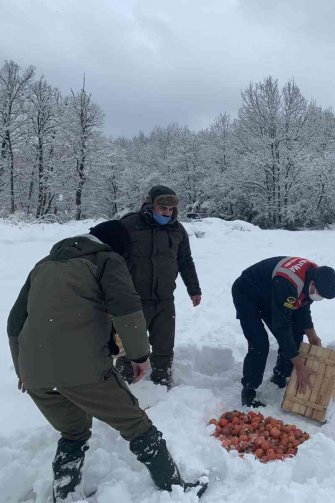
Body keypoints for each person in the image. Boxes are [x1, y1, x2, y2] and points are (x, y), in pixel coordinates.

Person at [6, 221, 206, 501]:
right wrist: (139, 355)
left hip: (35, 374)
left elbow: (15, 322)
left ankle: (65, 495)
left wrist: (23, 369)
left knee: (73, 433)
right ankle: (174, 488)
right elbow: (127, 308)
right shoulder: (107, 260)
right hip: (82, 370)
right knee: (136, 424)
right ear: (118, 248)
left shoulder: (44, 264)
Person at [116, 185, 202, 388]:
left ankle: (162, 378)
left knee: (164, 344)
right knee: (130, 344)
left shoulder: (177, 230)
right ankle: (125, 381)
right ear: (150, 205)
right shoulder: (129, 226)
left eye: (171, 209)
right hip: (133, 299)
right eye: (162, 208)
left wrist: (194, 289)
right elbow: (112, 260)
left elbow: (185, 261)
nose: (167, 213)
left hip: (164, 298)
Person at [231, 257, 335, 407]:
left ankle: (280, 376)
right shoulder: (289, 282)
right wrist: (299, 364)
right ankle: (249, 390)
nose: (319, 297)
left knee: (296, 331)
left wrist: (312, 335)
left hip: (271, 293)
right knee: (259, 342)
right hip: (247, 293)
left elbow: (303, 305)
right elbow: (281, 327)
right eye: (320, 294)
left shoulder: (314, 274)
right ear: (313, 283)